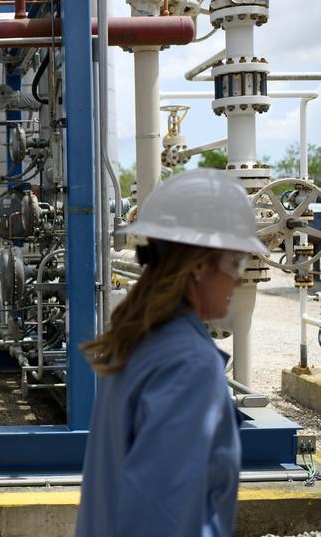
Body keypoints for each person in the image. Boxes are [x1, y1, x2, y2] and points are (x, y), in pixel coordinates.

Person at [76, 168, 268, 537]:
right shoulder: (189, 364)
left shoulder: (140, 339)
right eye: (235, 262)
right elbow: (162, 520)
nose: (239, 278)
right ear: (197, 265)